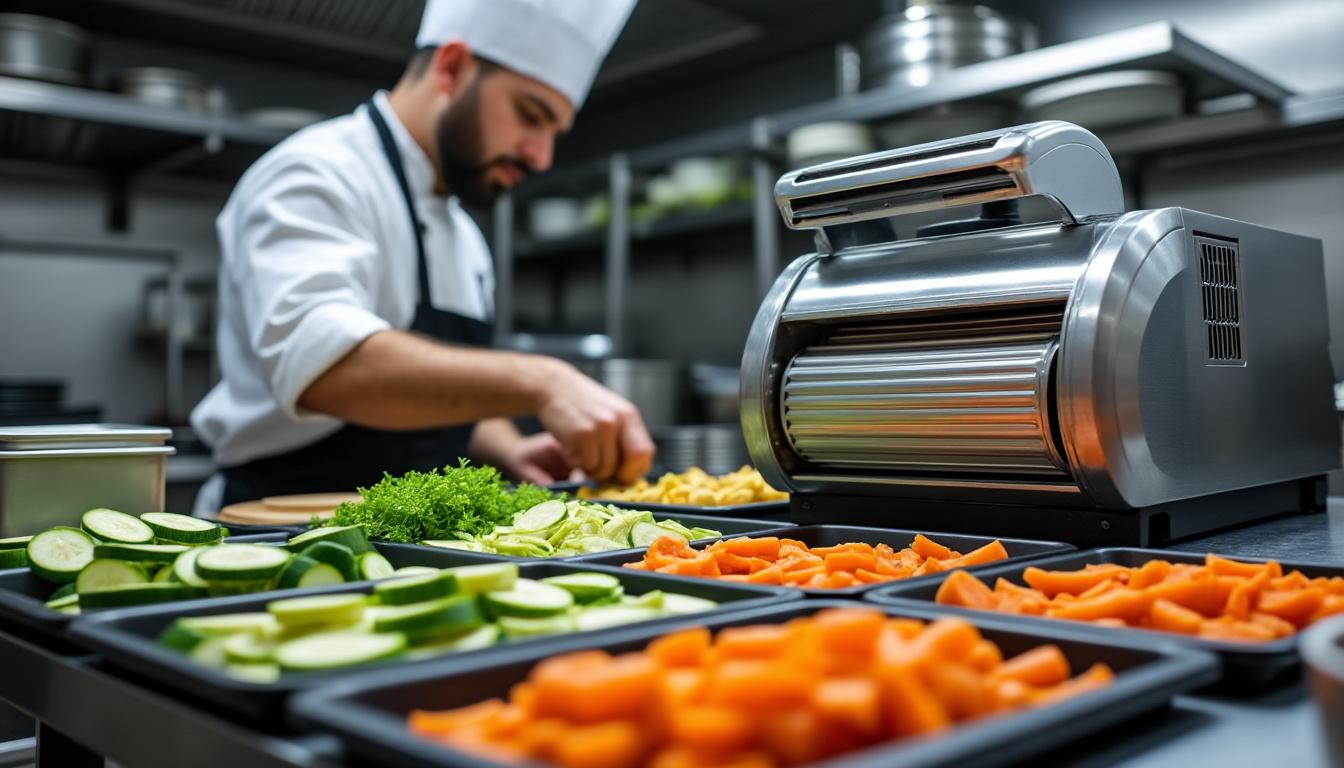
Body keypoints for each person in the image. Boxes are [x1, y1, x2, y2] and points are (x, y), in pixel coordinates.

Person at [191, 0, 649, 513]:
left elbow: (447, 389)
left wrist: (509, 447)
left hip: (424, 538)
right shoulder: (315, 173)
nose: (540, 156)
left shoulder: (464, 234)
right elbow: (321, 367)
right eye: (530, 114)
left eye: (553, 134)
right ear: (451, 68)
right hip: (288, 527)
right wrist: (545, 380)